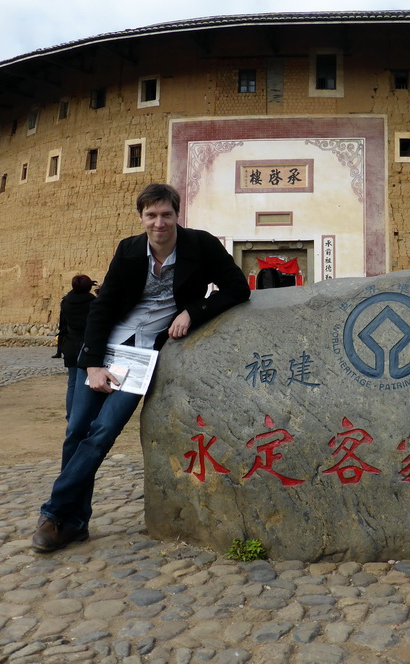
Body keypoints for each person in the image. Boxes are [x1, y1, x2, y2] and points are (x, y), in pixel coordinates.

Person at [31, 183, 251, 553]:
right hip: (106, 347)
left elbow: (237, 288)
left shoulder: (200, 245)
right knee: (76, 430)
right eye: (151, 215)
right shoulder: (130, 250)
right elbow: (104, 307)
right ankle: (73, 522)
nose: (159, 223)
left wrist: (192, 312)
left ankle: (55, 513)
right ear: (141, 218)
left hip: (144, 354)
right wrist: (93, 365)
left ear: (177, 215)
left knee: (103, 431)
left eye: (166, 214)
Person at [58, 274, 97, 420]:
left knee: (72, 383)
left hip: (69, 345)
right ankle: (83, 415)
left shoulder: (66, 302)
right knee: (86, 383)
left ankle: (71, 415)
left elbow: (63, 325)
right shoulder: (92, 302)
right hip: (86, 345)